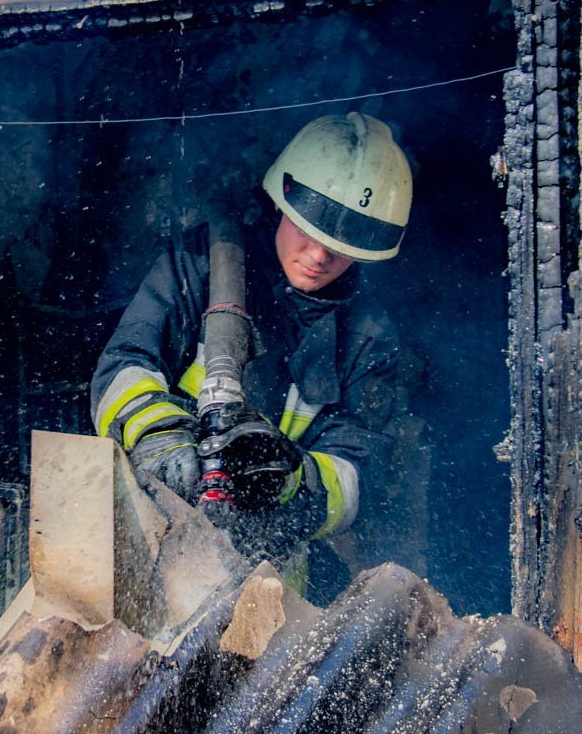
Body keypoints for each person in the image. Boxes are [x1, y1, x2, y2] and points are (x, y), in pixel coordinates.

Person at [90, 113, 413, 568]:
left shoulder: (368, 337)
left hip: (272, 571)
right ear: (283, 203)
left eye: (341, 245)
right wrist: (161, 438)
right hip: (153, 537)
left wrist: (292, 482)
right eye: (308, 229)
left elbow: (359, 475)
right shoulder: (203, 263)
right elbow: (122, 369)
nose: (319, 255)